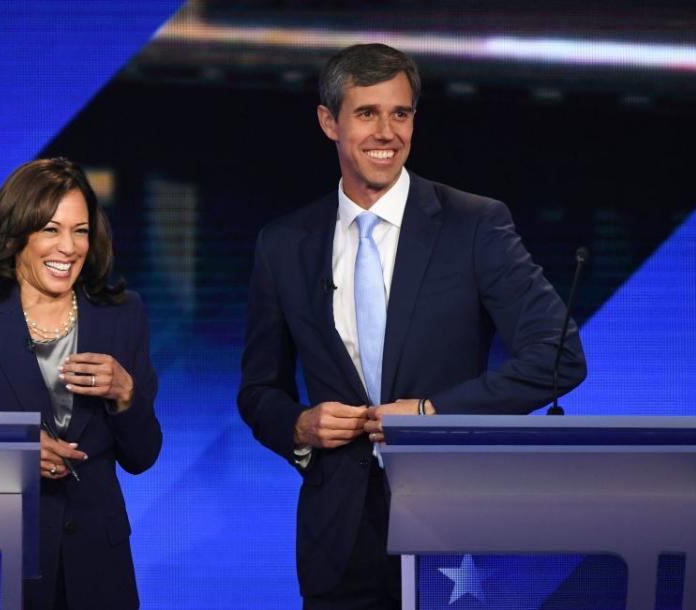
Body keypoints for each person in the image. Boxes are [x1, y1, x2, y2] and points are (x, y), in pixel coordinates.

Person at [238, 43, 586, 609]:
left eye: (400, 114)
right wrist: (300, 425)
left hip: (453, 528)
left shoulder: (474, 224)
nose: (387, 132)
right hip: (337, 536)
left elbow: (558, 355)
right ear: (330, 122)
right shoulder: (284, 244)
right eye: (367, 113)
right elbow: (258, 391)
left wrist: (432, 414)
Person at [0, 157, 161, 609]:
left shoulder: (123, 314)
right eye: (51, 229)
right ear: (16, 235)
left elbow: (142, 456)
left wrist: (126, 395)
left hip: (99, 570)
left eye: (81, 230)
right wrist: (13, 453)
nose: (68, 248)